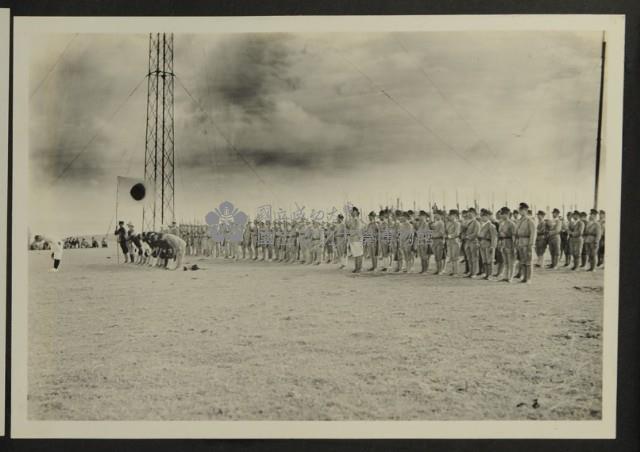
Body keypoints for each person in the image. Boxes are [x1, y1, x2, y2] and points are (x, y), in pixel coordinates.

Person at [514, 202, 536, 283]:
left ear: (526, 210)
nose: (519, 211)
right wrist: (516, 242)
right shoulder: (519, 220)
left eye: (521, 210)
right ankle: (524, 277)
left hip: (527, 242)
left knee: (528, 261)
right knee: (522, 261)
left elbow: (533, 233)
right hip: (520, 242)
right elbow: (516, 232)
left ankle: (528, 278)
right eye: (519, 210)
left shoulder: (530, 220)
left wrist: (531, 244)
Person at [478, 209, 498, 280]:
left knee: (489, 260)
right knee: (484, 260)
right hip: (482, 244)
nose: (481, 217)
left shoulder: (491, 225)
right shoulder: (482, 225)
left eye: (483, 216)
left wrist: (493, 246)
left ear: (487, 216)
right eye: (481, 216)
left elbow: (494, 237)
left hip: (488, 243)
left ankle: (490, 275)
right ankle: (486, 274)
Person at [345, 206, 365, 273]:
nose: (351, 213)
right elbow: (348, 226)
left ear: (356, 212)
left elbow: (357, 230)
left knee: (359, 254)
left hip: (357, 239)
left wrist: (351, 234)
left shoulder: (357, 220)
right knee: (355, 254)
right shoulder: (352, 220)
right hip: (353, 239)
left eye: (353, 211)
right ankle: (356, 267)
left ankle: (359, 268)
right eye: (351, 212)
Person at [463, 208, 481, 278]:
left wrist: (468, 237)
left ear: (474, 214)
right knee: (469, 258)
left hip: (474, 242)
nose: (469, 214)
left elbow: (476, 233)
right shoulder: (467, 222)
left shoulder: (476, 222)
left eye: (471, 213)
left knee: (474, 258)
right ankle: (470, 272)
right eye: (468, 213)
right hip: (467, 242)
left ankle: (474, 273)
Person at [445, 209, 461, 276]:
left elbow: (456, 233)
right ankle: (453, 270)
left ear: (455, 216)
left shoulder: (457, 223)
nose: (449, 217)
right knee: (451, 256)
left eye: (451, 215)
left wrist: (448, 236)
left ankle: (456, 272)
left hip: (455, 241)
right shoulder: (449, 223)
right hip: (450, 242)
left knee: (455, 257)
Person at [431, 210, 446, 275]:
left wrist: (434, 235)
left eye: (437, 215)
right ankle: (437, 269)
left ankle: (440, 270)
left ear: (440, 215)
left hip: (439, 240)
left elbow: (441, 233)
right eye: (435, 215)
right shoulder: (435, 222)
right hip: (434, 241)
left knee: (439, 256)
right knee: (436, 256)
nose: (435, 216)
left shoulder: (441, 223)